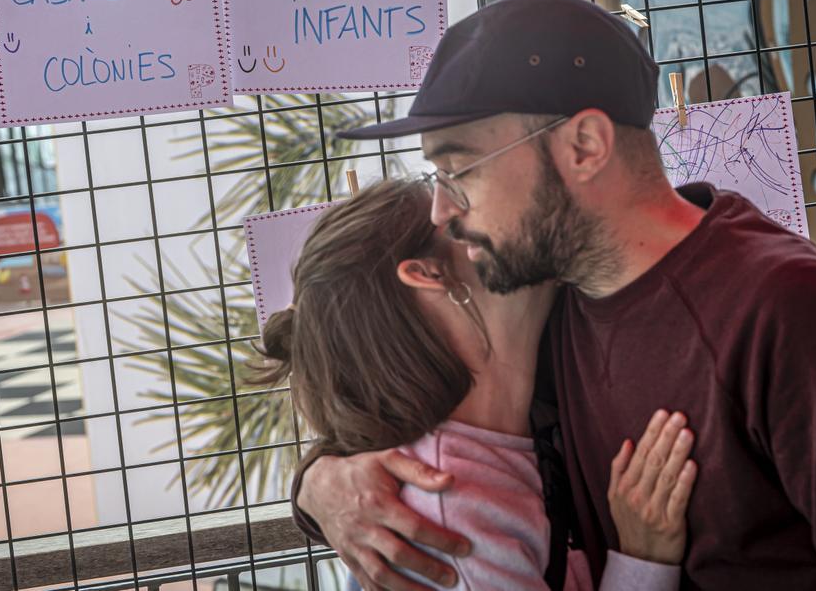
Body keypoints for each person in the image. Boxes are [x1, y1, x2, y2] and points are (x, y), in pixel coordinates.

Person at [293, 0, 816, 589]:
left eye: (460, 168)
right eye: (435, 176)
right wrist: (320, 485)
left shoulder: (786, 309)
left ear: (584, 147)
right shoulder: (557, 307)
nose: (442, 210)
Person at [256, 179, 694, 589]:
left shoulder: (479, 458)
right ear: (428, 274)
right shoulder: (451, 511)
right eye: (455, 201)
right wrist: (641, 559)